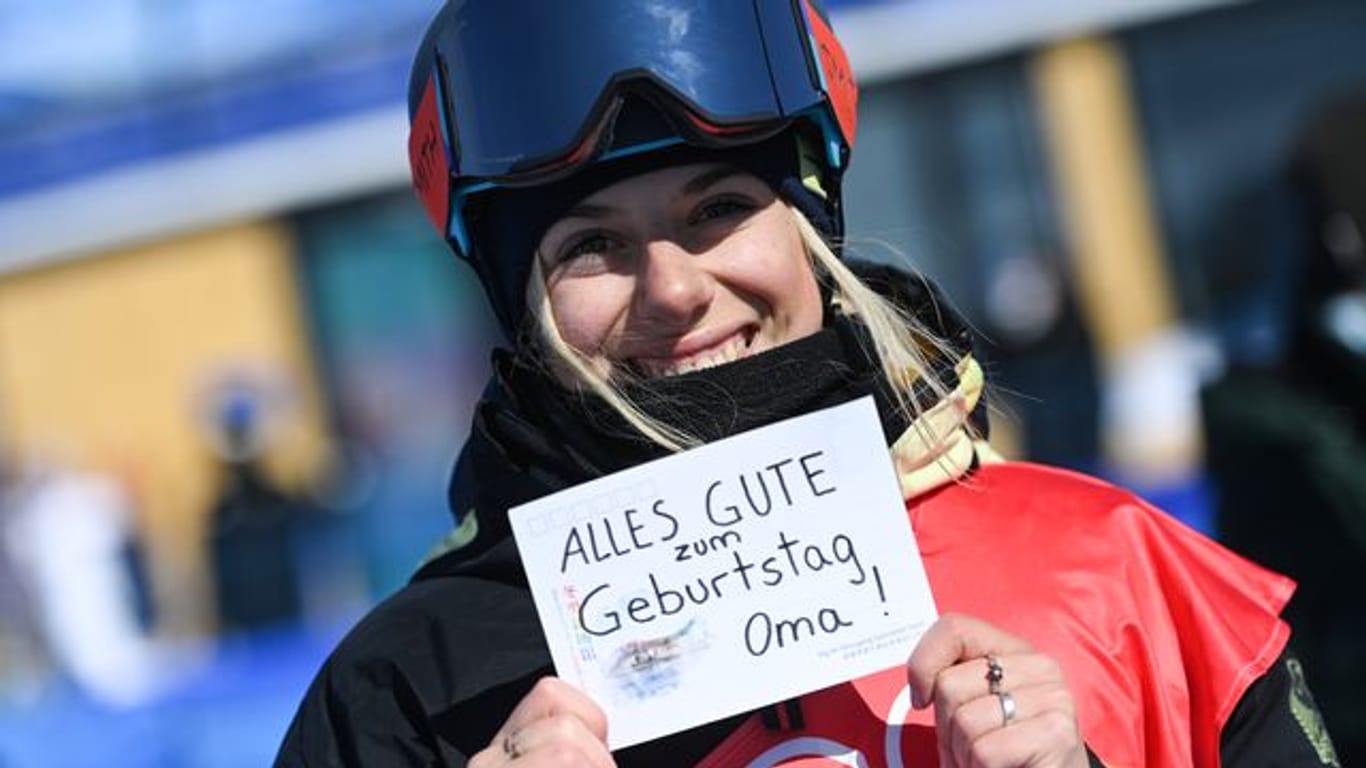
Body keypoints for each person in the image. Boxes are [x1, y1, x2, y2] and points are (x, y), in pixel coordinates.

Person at [277, 2, 1338, 765]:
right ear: (526, 307)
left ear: (808, 230)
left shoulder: (1116, 570)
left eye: (717, 210)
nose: (674, 288)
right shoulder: (410, 691)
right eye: (590, 246)